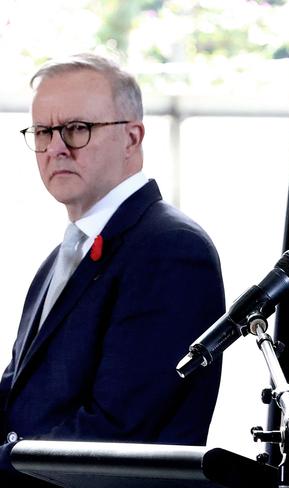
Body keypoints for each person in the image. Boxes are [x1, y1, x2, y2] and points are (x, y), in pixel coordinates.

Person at [0, 53, 225, 482]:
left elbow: (115, 436)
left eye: (77, 129)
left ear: (132, 138)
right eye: (44, 131)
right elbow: (19, 397)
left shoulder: (171, 249)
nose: (56, 147)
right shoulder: (64, 253)